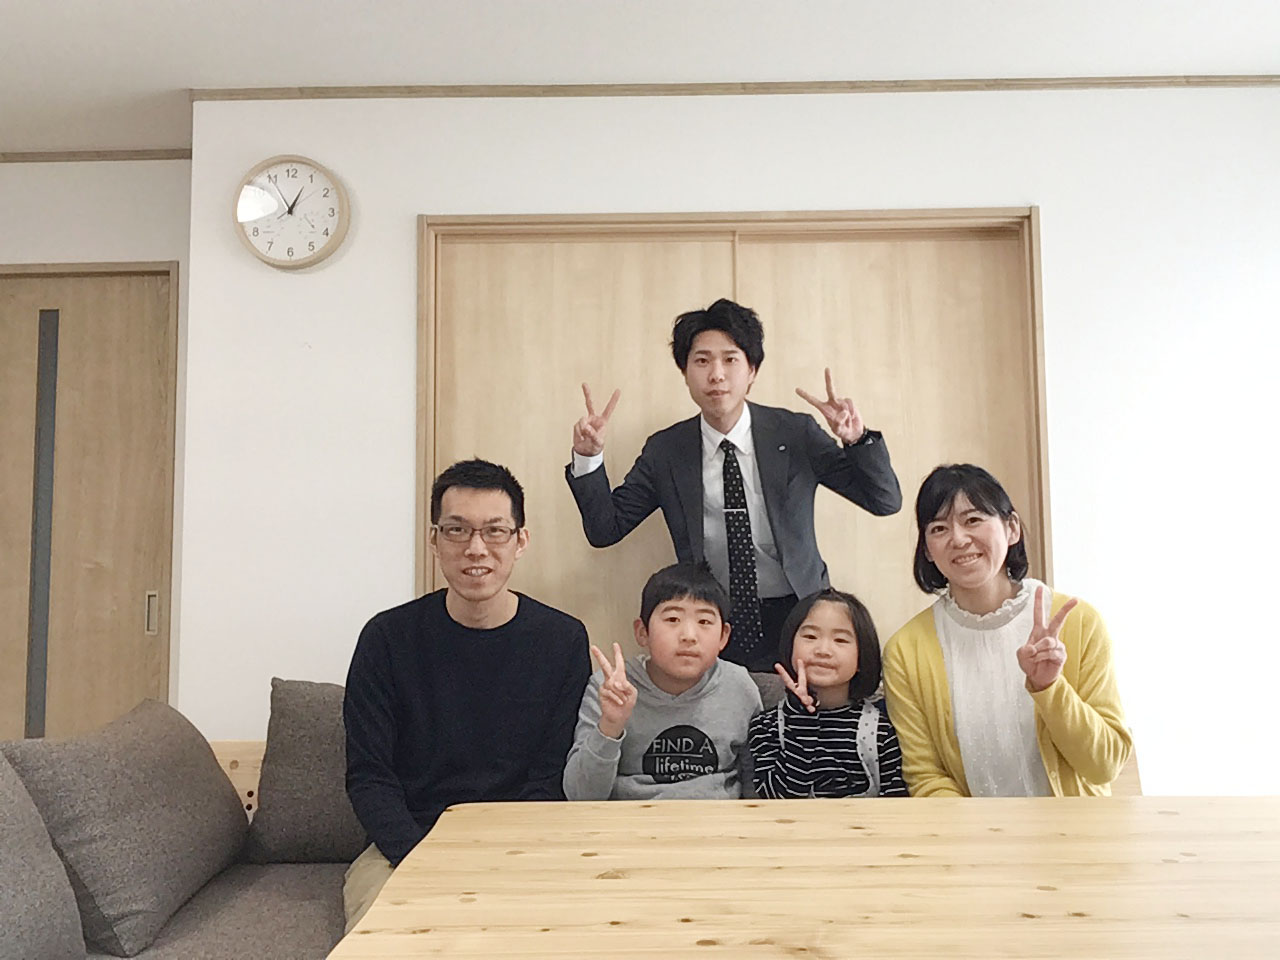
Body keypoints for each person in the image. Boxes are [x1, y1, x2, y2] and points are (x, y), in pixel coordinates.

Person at [565, 298, 902, 671]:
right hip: (711, 620)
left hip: (799, 614)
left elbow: (884, 500)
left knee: (799, 706)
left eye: (730, 359)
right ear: (685, 372)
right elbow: (606, 529)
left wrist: (856, 440)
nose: (717, 375)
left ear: (752, 370)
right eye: (702, 361)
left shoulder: (795, 433)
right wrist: (588, 457)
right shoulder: (667, 450)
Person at [342, 459, 589, 932]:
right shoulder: (386, 639)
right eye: (457, 530)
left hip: (522, 845)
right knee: (389, 938)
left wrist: (499, 861)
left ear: (520, 541)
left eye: (495, 531)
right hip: (406, 846)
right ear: (434, 540)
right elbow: (370, 777)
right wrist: (423, 859)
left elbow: (551, 776)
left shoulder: (562, 640)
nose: (476, 548)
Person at [882, 464, 1132, 798]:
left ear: (1011, 528)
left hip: (1074, 829)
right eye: (939, 528)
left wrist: (1050, 687)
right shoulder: (906, 650)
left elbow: (1104, 766)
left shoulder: (1078, 622)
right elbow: (927, 778)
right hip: (969, 831)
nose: (958, 539)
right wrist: (982, 831)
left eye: (973, 520)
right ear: (927, 549)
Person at [563, 563, 761, 801]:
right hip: (632, 819)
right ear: (642, 632)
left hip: (718, 819)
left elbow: (756, 782)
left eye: (704, 622)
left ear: (723, 636)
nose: (689, 636)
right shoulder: (611, 688)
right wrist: (610, 726)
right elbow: (580, 796)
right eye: (673, 619)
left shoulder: (739, 686)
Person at [749, 589, 908, 798]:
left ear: (862, 657)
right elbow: (779, 800)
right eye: (810, 636)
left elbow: (896, 807)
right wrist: (801, 722)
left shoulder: (883, 729)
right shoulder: (765, 727)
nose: (823, 650)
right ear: (790, 646)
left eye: (840, 640)